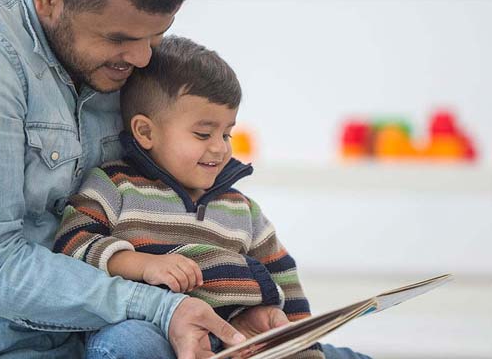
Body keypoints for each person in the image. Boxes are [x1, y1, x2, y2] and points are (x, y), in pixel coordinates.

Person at [0, 0, 248, 358]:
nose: (142, 59)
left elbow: (162, 207)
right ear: (49, 3)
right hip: (3, 343)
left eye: (157, 35)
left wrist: (239, 308)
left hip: (112, 330)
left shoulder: (126, 59)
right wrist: (159, 307)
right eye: (118, 38)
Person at [54, 35, 372, 359]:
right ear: (146, 132)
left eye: (226, 133)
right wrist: (142, 264)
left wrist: (297, 337)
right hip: (152, 329)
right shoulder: (114, 185)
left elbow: (282, 272)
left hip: (237, 338)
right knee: (127, 345)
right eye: (203, 134)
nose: (220, 147)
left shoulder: (241, 208)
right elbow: (71, 244)